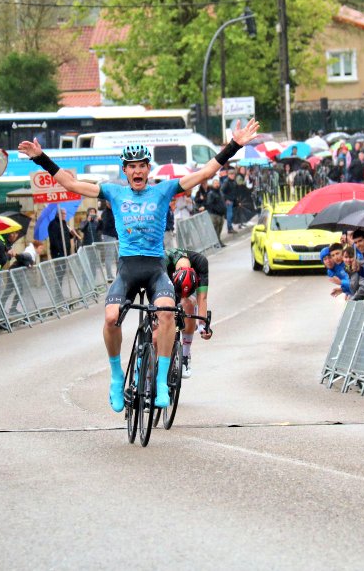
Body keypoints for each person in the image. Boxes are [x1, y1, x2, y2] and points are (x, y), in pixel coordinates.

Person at [19, 119, 258, 411]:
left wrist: (234, 145)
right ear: (125, 170)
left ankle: (161, 382)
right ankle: (116, 376)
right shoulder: (113, 192)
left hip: (156, 268)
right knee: (110, 318)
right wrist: (41, 158)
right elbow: (70, 184)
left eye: (142, 166)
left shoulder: (164, 190)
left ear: (148, 169)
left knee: (167, 313)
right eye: (131, 166)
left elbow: (206, 172)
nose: (137, 171)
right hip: (128, 269)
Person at [164, 248, 213, 378]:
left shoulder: (201, 262)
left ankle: (185, 356)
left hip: (189, 291)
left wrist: (202, 325)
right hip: (168, 286)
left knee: (189, 303)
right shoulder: (164, 261)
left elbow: (202, 297)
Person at [205, 177, 227, 245]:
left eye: (218, 183)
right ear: (213, 184)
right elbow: (209, 204)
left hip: (221, 214)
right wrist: (216, 209)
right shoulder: (211, 193)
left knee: (220, 228)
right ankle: (216, 242)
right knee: (215, 229)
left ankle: (219, 241)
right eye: (215, 183)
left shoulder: (220, 192)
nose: (217, 185)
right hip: (215, 214)